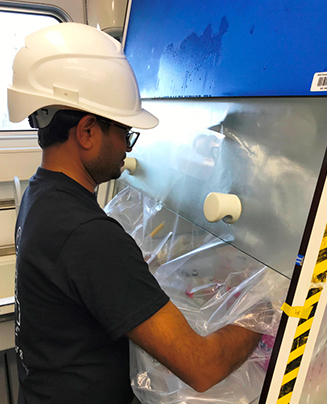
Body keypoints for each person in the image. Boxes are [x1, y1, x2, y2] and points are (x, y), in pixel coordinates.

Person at [8, 23, 262, 404]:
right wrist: (260, 314)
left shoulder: (40, 194)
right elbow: (202, 367)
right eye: (125, 132)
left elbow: (84, 280)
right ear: (88, 132)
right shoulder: (88, 234)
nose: (127, 147)